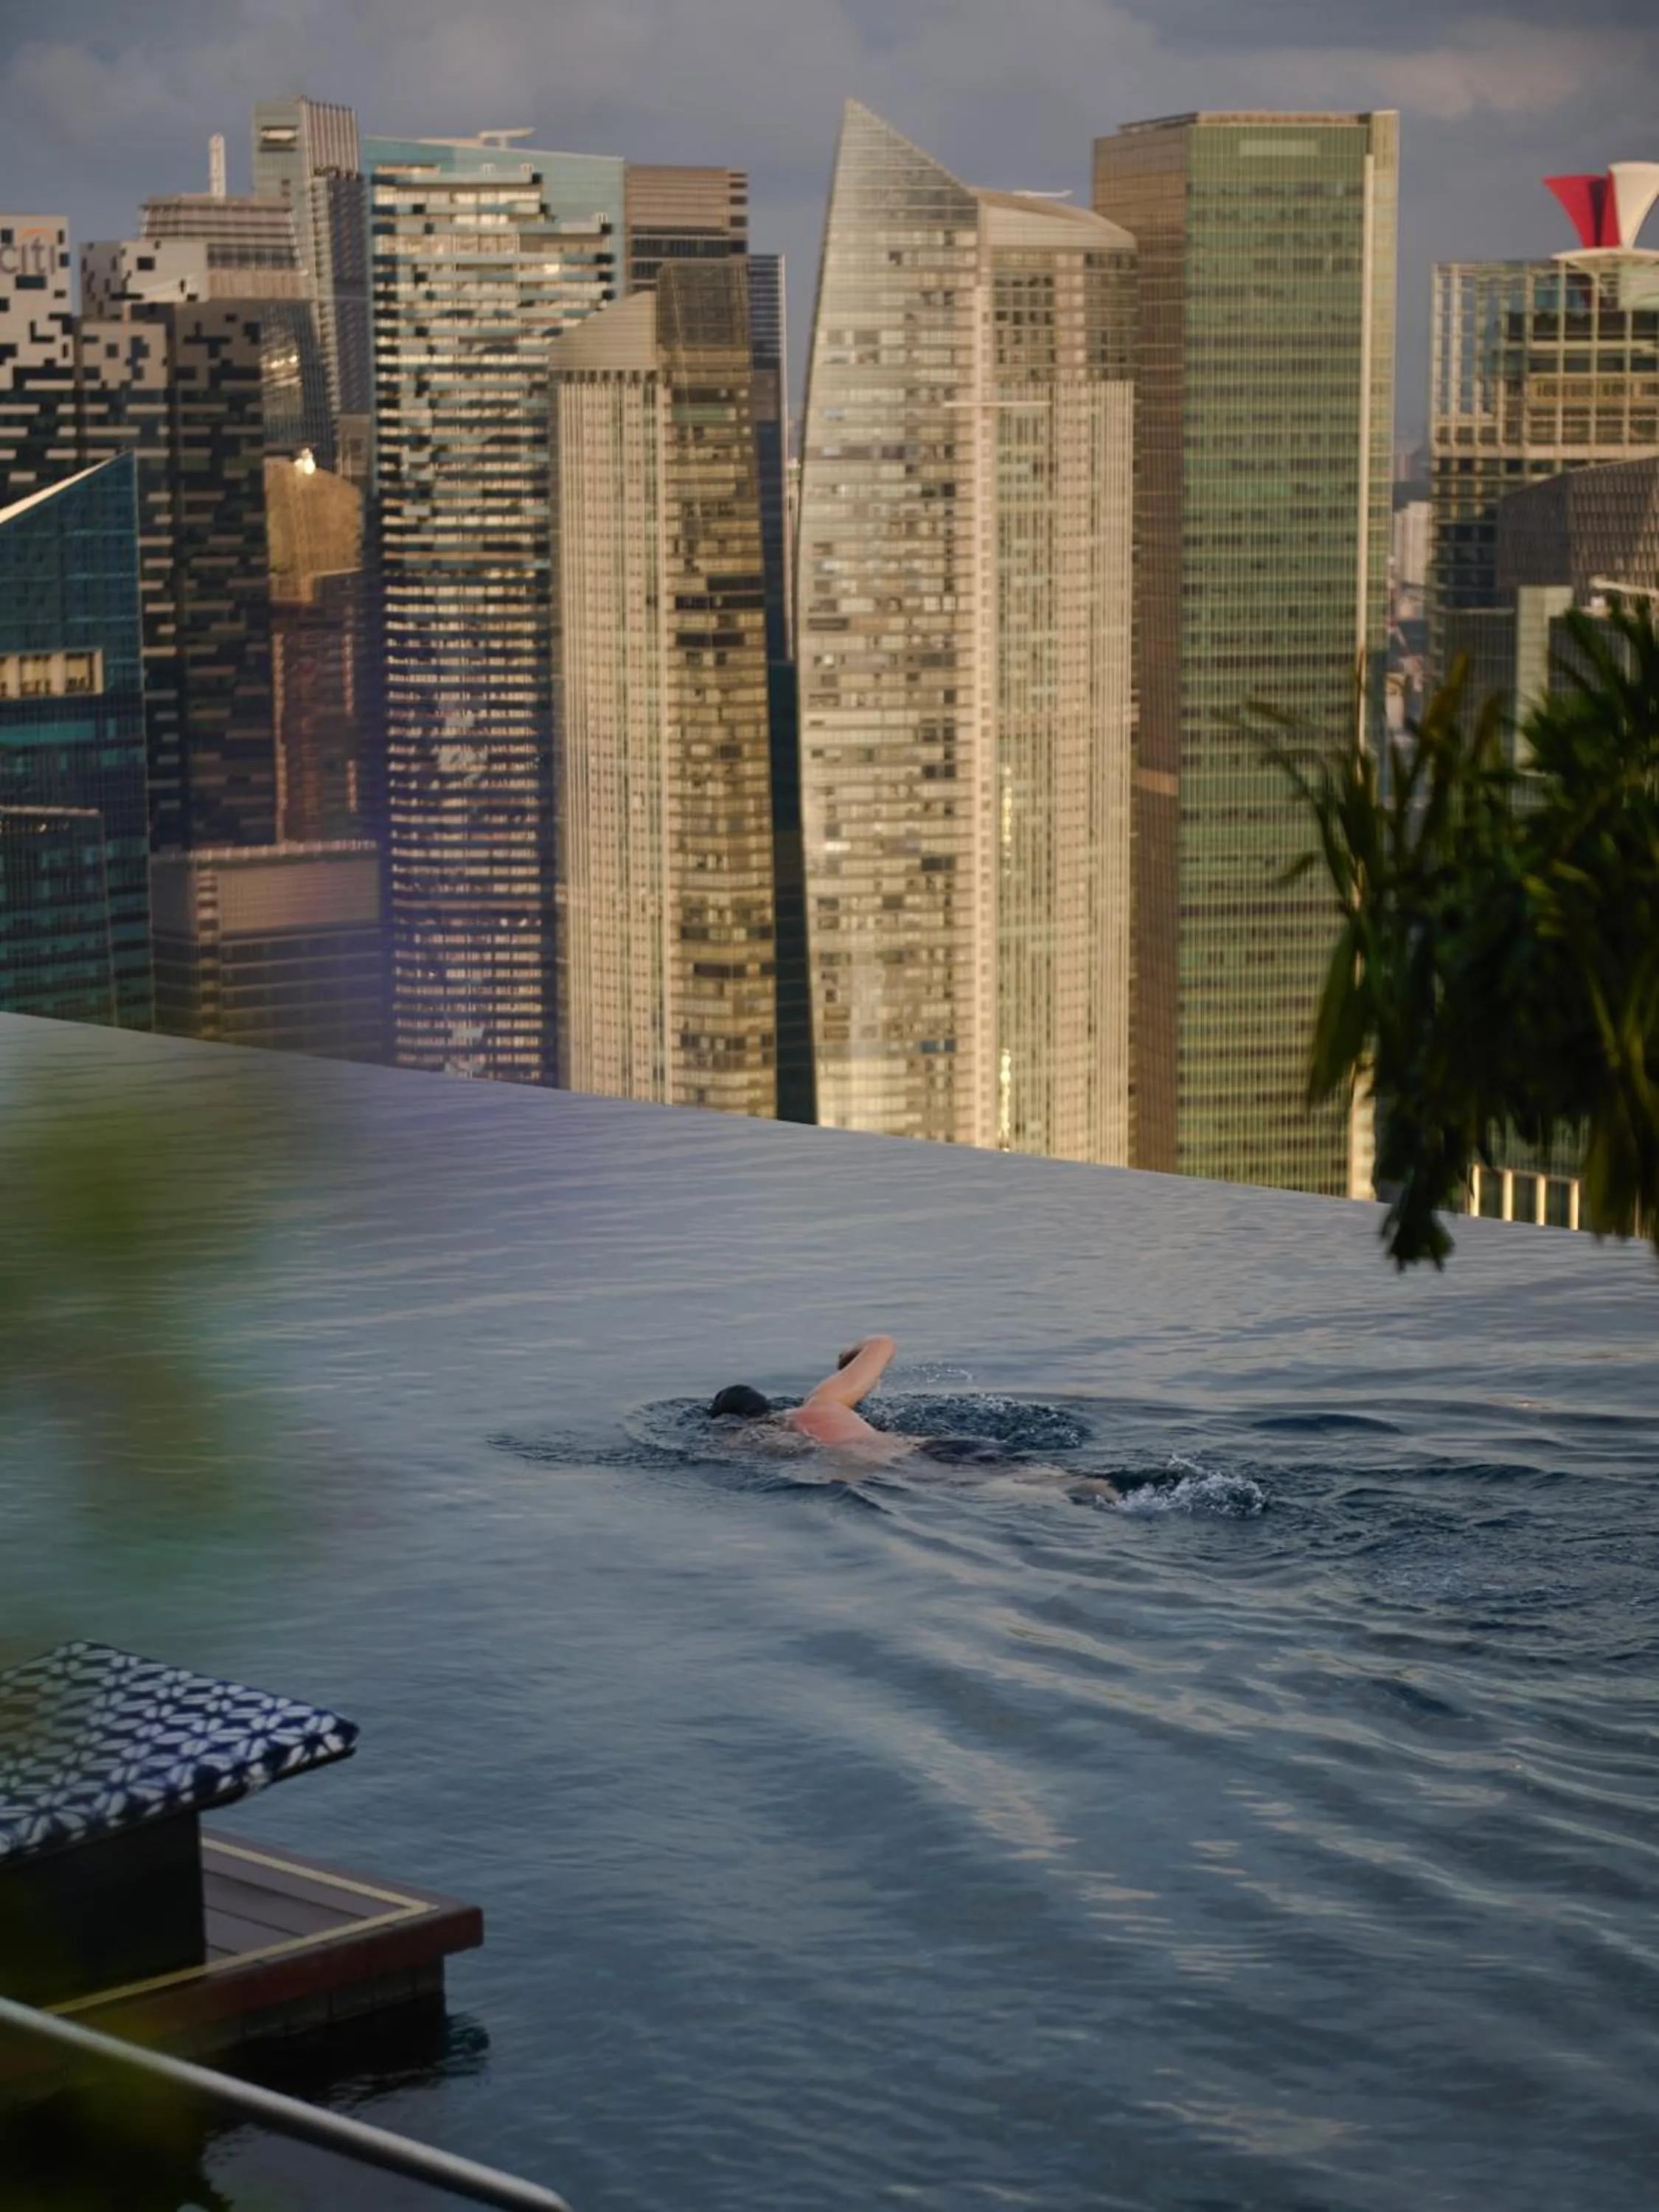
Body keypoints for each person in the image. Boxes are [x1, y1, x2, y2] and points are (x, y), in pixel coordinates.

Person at [709, 1338, 1121, 1499]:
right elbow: (883, 1343)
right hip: (935, 1446)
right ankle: (1108, 1490)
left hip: (907, 1469)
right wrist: (847, 1361)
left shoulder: (760, 1438)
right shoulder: (826, 1401)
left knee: (1034, 1494)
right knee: (1059, 1478)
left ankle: (1108, 1499)